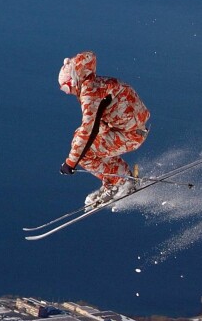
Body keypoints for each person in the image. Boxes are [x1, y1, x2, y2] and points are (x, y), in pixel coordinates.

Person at [58, 51, 150, 207]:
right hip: (131, 129)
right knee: (79, 139)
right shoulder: (96, 84)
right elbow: (97, 122)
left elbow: (89, 131)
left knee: (85, 154)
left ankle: (121, 182)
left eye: (66, 88)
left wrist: (70, 163)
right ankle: (117, 178)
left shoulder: (89, 94)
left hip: (131, 134)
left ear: (74, 81)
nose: (68, 93)